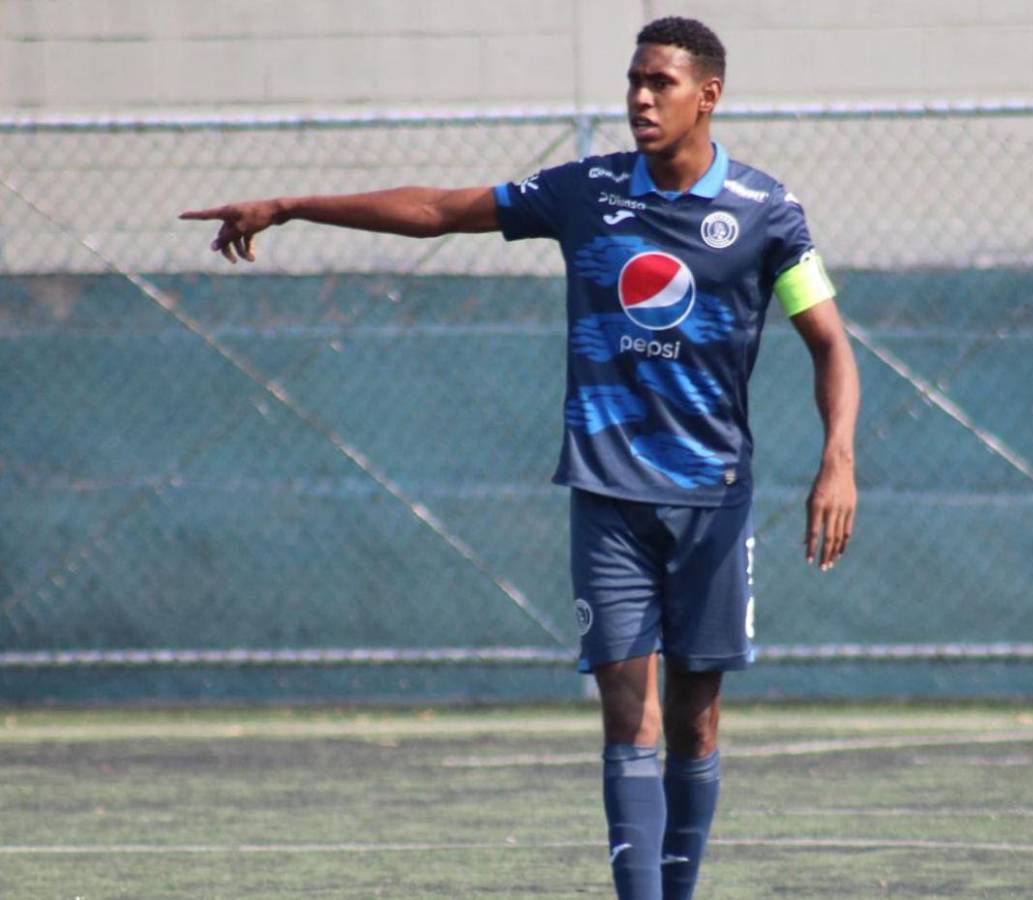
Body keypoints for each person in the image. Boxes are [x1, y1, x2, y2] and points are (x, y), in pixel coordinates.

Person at [181, 16, 858, 899]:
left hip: (712, 503)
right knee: (629, 714)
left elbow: (830, 344)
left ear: (708, 96)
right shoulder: (586, 192)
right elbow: (438, 211)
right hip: (608, 496)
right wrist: (290, 205)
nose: (640, 98)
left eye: (660, 82)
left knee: (695, 721)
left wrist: (837, 459)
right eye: (633, 80)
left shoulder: (766, 210)